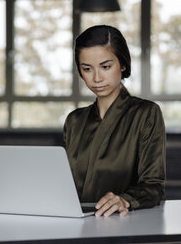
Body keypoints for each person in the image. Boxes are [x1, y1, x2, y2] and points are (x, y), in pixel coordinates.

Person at [63, 25, 166, 217]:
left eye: (105, 66)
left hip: (122, 225)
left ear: (123, 64)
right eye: (87, 69)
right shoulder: (74, 121)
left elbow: (153, 187)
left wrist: (125, 199)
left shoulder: (146, 114)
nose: (96, 78)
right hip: (73, 225)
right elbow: (64, 184)